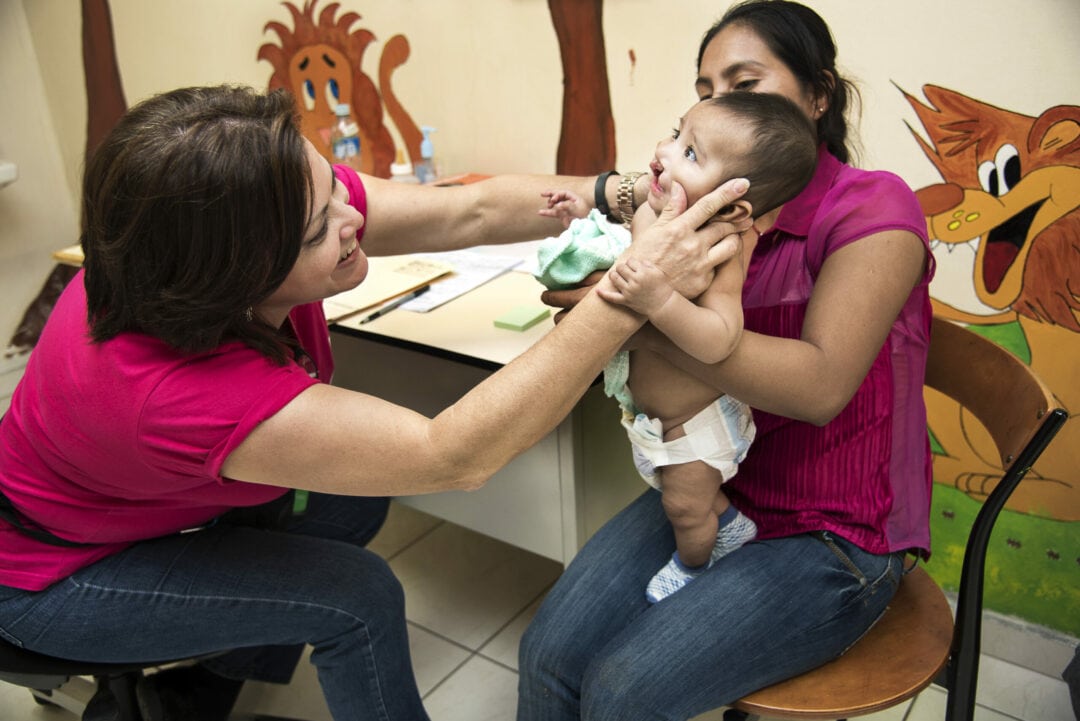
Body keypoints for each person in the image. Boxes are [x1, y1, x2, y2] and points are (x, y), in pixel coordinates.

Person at [0, 85, 749, 721]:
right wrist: (627, 292)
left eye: (335, 187)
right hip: (49, 572)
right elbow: (454, 456)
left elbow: (471, 212)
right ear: (233, 278)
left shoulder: (231, 225)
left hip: (127, 501)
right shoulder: (172, 390)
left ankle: (203, 685)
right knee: (357, 596)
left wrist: (619, 193)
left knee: (350, 507)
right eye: (322, 227)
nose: (353, 216)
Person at [518, 1, 935, 719]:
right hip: (721, 489)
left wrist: (633, 320)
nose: (718, 106)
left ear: (818, 95)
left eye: (745, 82)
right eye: (707, 92)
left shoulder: (872, 209)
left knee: (623, 689)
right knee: (547, 653)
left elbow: (821, 384)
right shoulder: (697, 210)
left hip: (834, 530)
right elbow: (600, 254)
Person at [536, 92, 817, 603]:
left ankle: (693, 567)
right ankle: (729, 523)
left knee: (684, 510)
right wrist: (581, 219)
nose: (664, 152)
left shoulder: (724, 248)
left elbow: (720, 338)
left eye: (690, 153)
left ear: (733, 207)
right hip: (658, 417)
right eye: (676, 134)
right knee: (691, 497)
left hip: (698, 425)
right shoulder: (655, 209)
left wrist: (660, 300)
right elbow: (623, 246)